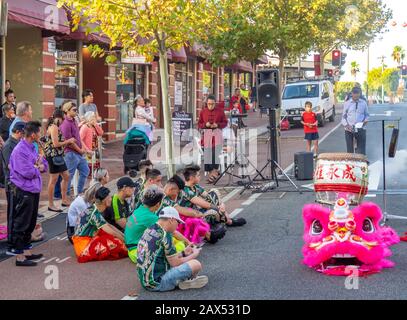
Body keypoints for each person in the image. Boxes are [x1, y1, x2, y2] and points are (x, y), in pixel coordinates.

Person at [137, 206, 208, 292]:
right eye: (178, 222)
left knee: (182, 262)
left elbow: (164, 256)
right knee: (196, 264)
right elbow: (175, 263)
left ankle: (180, 280)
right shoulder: (165, 236)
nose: (178, 225)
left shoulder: (150, 229)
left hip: (145, 280)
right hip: (157, 283)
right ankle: (181, 280)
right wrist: (194, 254)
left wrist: (183, 253)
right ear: (171, 220)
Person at [8, 121, 48, 266]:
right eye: (39, 132)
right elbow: (28, 172)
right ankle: (19, 257)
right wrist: (38, 167)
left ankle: (26, 251)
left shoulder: (32, 147)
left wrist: (39, 166)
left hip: (33, 189)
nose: (41, 135)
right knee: (21, 223)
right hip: (23, 189)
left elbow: (44, 164)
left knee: (30, 223)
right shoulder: (20, 150)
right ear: (33, 134)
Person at [160, 175, 224, 244]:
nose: (176, 195)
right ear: (171, 189)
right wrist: (200, 214)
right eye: (177, 192)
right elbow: (184, 210)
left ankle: (208, 234)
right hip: (162, 226)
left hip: (164, 223)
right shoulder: (165, 199)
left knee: (187, 217)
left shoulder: (162, 194)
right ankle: (208, 236)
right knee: (189, 219)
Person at [72, 187, 127, 263]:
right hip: (83, 245)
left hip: (84, 238)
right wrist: (125, 241)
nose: (111, 199)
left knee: (114, 238)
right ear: (104, 200)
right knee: (117, 245)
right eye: (109, 197)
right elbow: (109, 229)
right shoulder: (95, 213)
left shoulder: (94, 208)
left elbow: (109, 225)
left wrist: (124, 236)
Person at [181, 165, 246, 228]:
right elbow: (203, 204)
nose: (200, 177)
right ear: (191, 178)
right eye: (198, 175)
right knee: (213, 211)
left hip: (196, 211)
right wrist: (218, 208)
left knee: (214, 192)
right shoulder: (186, 190)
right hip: (189, 216)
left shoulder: (195, 186)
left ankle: (226, 219)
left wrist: (220, 205)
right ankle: (226, 221)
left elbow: (208, 196)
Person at [41, 109, 76, 212]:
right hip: (53, 156)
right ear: (58, 118)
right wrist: (68, 141)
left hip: (58, 156)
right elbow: (56, 144)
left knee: (66, 176)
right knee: (53, 180)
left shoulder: (52, 126)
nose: (62, 121)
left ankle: (64, 199)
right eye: (62, 119)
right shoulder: (54, 127)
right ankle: (51, 204)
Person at [1, 122, 26, 251]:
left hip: (17, 182)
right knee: (12, 213)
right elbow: (9, 166)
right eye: (23, 133)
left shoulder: (16, 143)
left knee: (18, 212)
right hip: (12, 183)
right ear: (19, 132)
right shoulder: (9, 145)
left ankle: (16, 239)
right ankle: (11, 241)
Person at [60, 101, 90, 197]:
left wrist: (83, 149)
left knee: (85, 171)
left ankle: (79, 193)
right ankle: (67, 195)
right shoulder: (65, 124)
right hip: (71, 153)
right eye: (74, 110)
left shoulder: (74, 121)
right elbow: (70, 142)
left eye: (76, 109)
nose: (76, 111)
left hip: (78, 153)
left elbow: (77, 137)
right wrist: (80, 150)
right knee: (69, 176)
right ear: (67, 111)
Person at [198, 95, 228, 184]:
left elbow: (225, 123)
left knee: (215, 155)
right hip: (207, 136)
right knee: (207, 156)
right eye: (209, 104)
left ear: (215, 103)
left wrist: (217, 125)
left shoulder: (220, 111)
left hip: (217, 135)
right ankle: (214, 173)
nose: (210, 106)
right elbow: (199, 124)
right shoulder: (203, 112)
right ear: (206, 103)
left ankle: (213, 174)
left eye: (212, 104)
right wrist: (205, 125)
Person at [341, 87, 369, 155]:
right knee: (350, 150)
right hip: (349, 129)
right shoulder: (347, 103)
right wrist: (347, 125)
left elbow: (367, 115)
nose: (356, 96)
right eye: (354, 94)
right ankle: (351, 163)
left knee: (361, 150)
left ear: (359, 94)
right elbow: (343, 117)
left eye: (357, 94)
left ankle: (361, 163)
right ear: (352, 94)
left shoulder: (363, 103)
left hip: (361, 128)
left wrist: (365, 121)